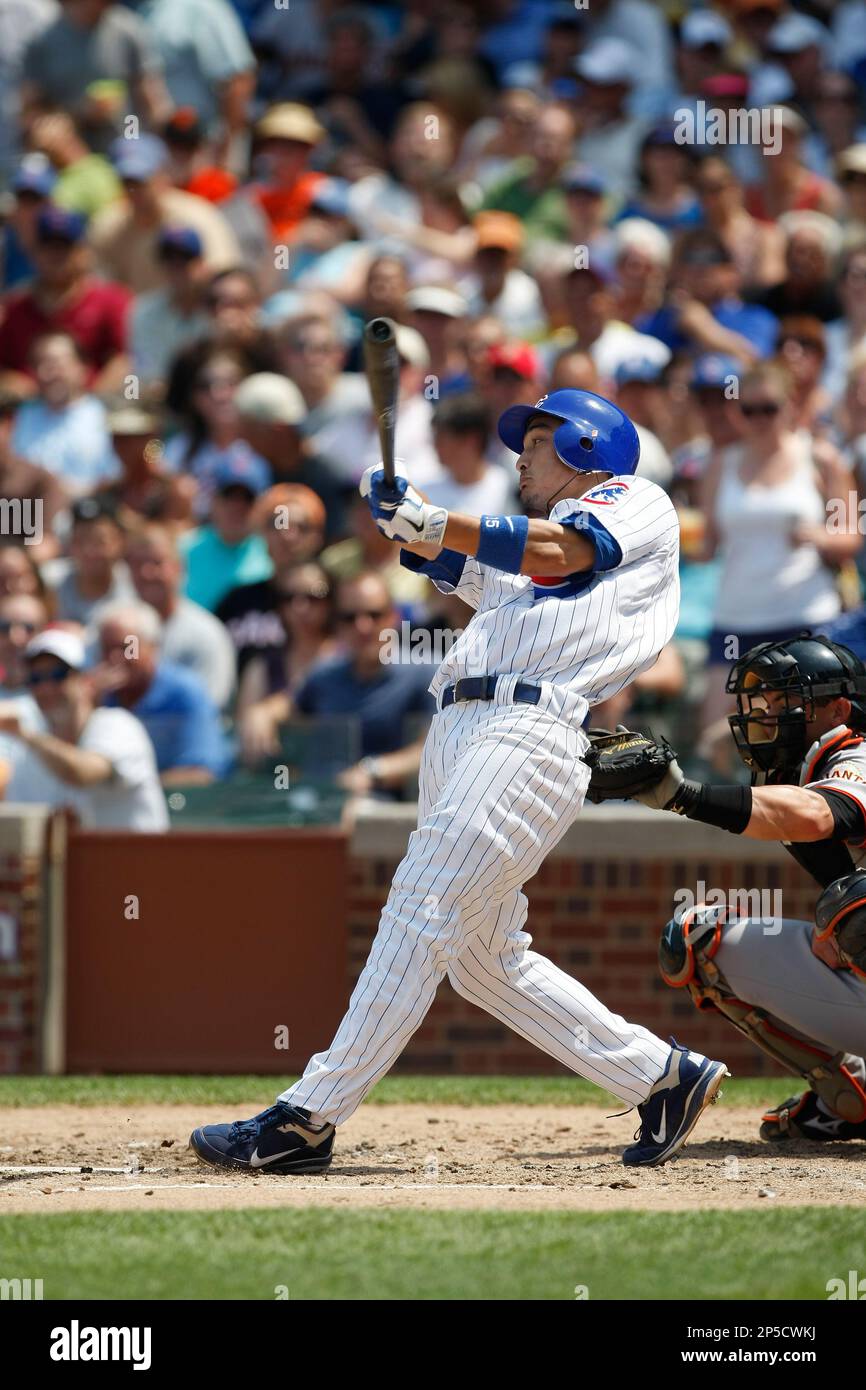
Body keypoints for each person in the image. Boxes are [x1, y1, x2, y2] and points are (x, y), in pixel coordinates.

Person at [189, 387, 728, 1176]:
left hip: (529, 728)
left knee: (422, 903)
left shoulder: (633, 500)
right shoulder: (536, 558)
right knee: (481, 960)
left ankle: (305, 1119)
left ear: (586, 448)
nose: (521, 454)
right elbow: (483, 570)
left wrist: (438, 522)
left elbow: (556, 552)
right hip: (465, 729)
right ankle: (661, 1075)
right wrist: (412, 520)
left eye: (539, 441)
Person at [618, 634, 866, 1143]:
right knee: (699, 937)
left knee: (854, 907)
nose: (769, 715)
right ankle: (850, 1092)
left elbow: (818, 815)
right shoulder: (803, 768)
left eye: (787, 702)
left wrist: (686, 796)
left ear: (838, 708)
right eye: (764, 703)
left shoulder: (856, 753)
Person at [698, 363, 858, 742]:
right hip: (736, 614)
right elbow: (707, 545)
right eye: (748, 409)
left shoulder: (821, 459)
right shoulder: (720, 464)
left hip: (803, 613)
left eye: (768, 408)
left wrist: (817, 536)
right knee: (717, 726)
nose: (758, 418)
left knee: (805, 725)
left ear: (790, 405)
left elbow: (852, 533)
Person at [0, 627, 168, 830]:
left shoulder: (117, 724)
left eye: (58, 674)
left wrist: (25, 734)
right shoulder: (28, 752)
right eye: (36, 679)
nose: (46, 688)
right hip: (75, 861)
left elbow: (81, 773)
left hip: (138, 860)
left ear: (86, 680)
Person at [88, 134, 241, 294]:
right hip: (136, 315)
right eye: (127, 182)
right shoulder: (108, 226)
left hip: (192, 312)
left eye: (141, 181)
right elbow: (98, 287)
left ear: (162, 175)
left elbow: (225, 279)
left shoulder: (197, 217)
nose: (134, 190)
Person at [96, 600, 229, 785]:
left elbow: (202, 772)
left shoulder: (185, 692)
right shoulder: (99, 698)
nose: (114, 658)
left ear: (152, 647)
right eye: (106, 648)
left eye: (126, 648)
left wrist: (135, 789)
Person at [0, 206, 130, 394]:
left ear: (83, 252)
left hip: (96, 411)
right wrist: (14, 384)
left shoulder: (112, 300)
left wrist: (93, 400)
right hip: (28, 413)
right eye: (48, 246)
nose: (56, 254)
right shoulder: (14, 307)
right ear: (34, 253)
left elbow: (128, 359)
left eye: (64, 246)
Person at [216, 482, 325, 676]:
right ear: (262, 533)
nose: (287, 535)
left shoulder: (329, 599)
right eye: (278, 524)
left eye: (301, 526)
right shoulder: (238, 600)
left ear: (317, 537)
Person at [125, 524, 236, 711]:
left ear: (178, 568)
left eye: (157, 563)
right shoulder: (116, 629)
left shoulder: (206, 633)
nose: (147, 573)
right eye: (138, 565)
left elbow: (209, 706)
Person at [235, 560, 336, 764]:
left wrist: (269, 710)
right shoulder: (263, 665)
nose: (300, 607)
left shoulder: (347, 657)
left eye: (313, 597)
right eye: (289, 598)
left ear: (331, 602)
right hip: (278, 777)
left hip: (339, 772)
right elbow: (246, 743)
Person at [10, 332, 118, 495]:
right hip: (27, 515)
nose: (50, 373)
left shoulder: (107, 417)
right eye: (41, 364)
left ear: (82, 367)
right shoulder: (20, 417)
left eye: (57, 364)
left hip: (88, 511)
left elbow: (117, 478)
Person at [179, 452, 273, 613]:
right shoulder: (183, 549)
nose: (237, 507)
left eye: (247, 498)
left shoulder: (273, 554)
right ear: (213, 499)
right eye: (229, 496)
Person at [130, 226, 211, 390]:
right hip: (165, 402)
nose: (177, 268)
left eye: (184, 260)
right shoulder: (144, 312)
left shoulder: (218, 305)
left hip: (213, 395)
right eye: (170, 261)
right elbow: (148, 375)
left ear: (201, 263)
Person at [44, 495, 135, 625]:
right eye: (79, 541)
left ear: (120, 541)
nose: (88, 551)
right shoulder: (50, 581)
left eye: (99, 542)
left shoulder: (135, 586)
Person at [427, 392, 515, 515]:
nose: (435, 445)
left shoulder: (505, 487)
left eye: (442, 438)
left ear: (470, 441)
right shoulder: (426, 492)